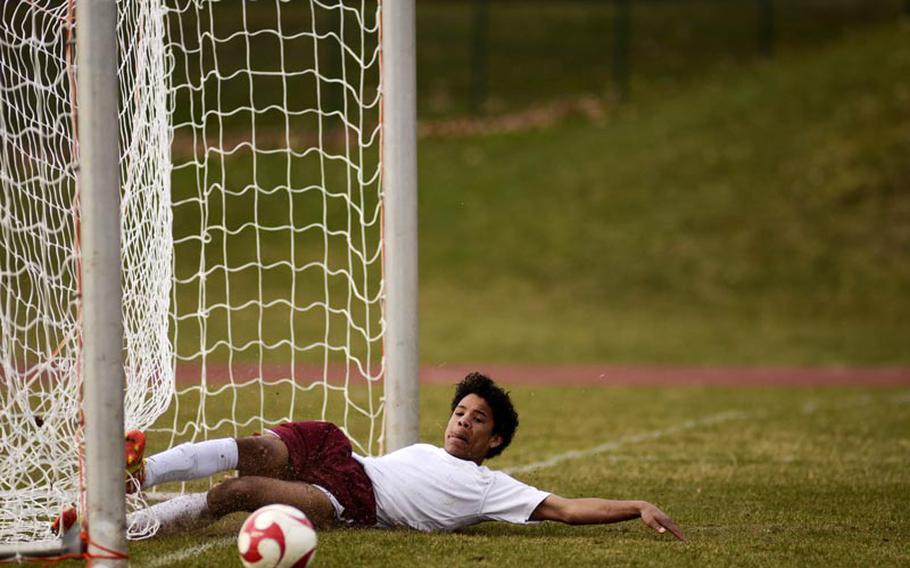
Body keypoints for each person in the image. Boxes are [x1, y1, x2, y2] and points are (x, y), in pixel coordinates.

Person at [70, 372, 686, 540]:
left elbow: (568, 508)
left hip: (352, 500)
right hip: (342, 452)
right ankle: (136, 471)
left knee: (238, 494)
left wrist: (635, 505)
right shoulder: (427, 447)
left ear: (494, 441)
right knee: (253, 449)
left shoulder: (492, 488)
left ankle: (127, 526)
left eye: (477, 420)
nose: (461, 423)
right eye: (460, 412)